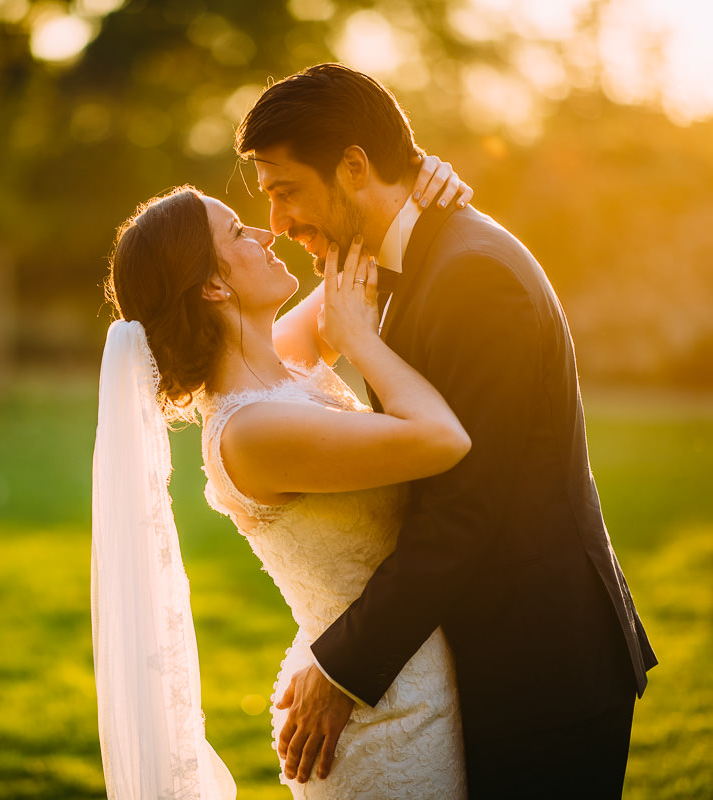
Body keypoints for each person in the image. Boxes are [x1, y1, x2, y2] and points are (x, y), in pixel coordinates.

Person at [234, 63, 657, 797]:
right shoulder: (387, 255)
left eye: (284, 190)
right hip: (487, 660)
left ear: (354, 167)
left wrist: (342, 668)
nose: (277, 222)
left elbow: (466, 508)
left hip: (542, 669)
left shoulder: (472, 279)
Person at [93, 158, 477, 798]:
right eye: (240, 233)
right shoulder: (251, 433)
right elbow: (444, 439)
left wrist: (421, 180)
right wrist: (361, 344)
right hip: (383, 720)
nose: (266, 235)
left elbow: (371, 250)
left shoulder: (284, 364)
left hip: (394, 673)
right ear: (214, 287)